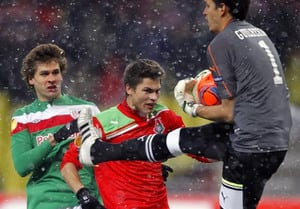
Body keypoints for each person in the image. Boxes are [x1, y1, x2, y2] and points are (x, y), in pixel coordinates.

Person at [76, 1, 292, 209]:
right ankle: (98, 151)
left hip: (247, 146)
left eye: (208, 6)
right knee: (178, 139)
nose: (204, 12)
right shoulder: (258, 34)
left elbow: (229, 111)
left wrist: (191, 107)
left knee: (177, 141)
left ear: (222, 8)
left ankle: (98, 152)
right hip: (273, 140)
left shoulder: (222, 42)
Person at [59, 59, 211, 209]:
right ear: (129, 89)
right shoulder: (102, 123)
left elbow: (198, 152)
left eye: (157, 91)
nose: (154, 97)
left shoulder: (164, 116)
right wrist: (83, 194)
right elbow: (68, 164)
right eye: (147, 91)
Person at [10, 43, 104, 209]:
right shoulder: (23, 117)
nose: (51, 79)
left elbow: (107, 156)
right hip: (46, 201)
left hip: (84, 199)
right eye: (44, 74)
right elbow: (22, 166)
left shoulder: (87, 109)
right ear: (31, 79)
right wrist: (56, 138)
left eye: (55, 72)